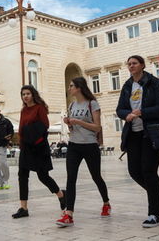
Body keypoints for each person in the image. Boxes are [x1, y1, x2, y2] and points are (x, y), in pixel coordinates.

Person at [116, 55, 159, 228]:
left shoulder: (154, 82)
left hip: (152, 132)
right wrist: (127, 115)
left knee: (148, 170)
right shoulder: (127, 85)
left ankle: (154, 213)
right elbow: (120, 109)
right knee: (134, 171)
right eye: (129, 63)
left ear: (142, 65)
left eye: (134, 63)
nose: (131, 66)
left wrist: (141, 112)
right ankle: (156, 193)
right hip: (134, 133)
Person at [57, 77, 111, 227]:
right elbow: (73, 128)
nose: (69, 88)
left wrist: (78, 121)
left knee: (96, 176)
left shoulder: (92, 104)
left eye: (71, 86)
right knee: (71, 178)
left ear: (79, 87)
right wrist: (69, 124)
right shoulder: (72, 105)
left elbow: (97, 127)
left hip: (89, 145)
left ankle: (106, 203)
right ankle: (69, 214)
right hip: (74, 145)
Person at [12, 85, 65, 219]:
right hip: (25, 147)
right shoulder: (24, 110)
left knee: (43, 176)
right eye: (23, 94)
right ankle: (23, 208)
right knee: (22, 176)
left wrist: (35, 140)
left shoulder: (39, 108)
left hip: (38, 147)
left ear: (33, 94)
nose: (25, 96)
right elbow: (21, 127)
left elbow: (45, 126)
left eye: (28, 93)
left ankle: (61, 195)